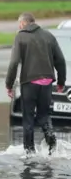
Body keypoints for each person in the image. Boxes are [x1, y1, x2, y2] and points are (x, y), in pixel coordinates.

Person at [5, 12, 66, 156]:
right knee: (44, 116)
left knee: (28, 118)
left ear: (22, 23)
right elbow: (61, 61)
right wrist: (61, 82)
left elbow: (14, 63)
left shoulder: (20, 36)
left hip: (29, 82)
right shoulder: (48, 36)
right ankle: (51, 143)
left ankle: (29, 152)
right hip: (46, 82)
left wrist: (9, 84)